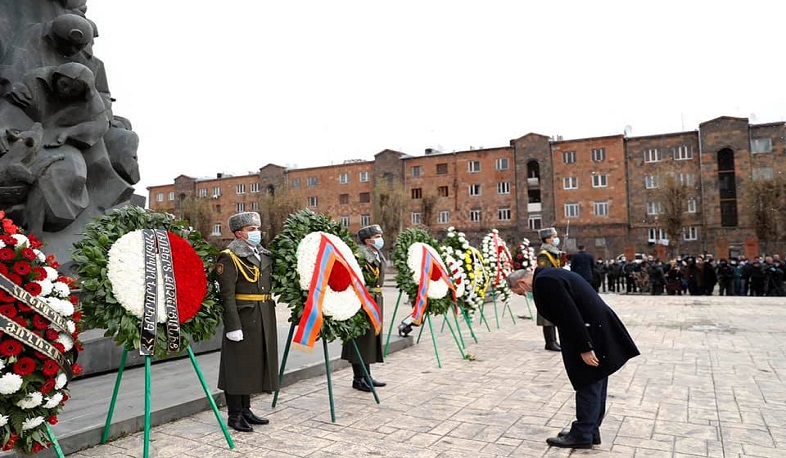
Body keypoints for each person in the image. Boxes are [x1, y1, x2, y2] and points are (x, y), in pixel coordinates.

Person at [507, 268, 640, 449]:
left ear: (522, 283)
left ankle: (582, 433)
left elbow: (569, 315)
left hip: (588, 332)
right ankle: (591, 429)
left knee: (588, 380)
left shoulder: (545, 282)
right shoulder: (550, 274)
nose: (526, 296)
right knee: (596, 379)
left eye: (522, 293)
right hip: (595, 328)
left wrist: (584, 347)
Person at [215, 211, 278, 432]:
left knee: (251, 365)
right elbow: (226, 295)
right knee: (237, 367)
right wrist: (232, 326)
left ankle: (246, 409)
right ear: (239, 233)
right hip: (243, 318)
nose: (257, 233)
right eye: (252, 230)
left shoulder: (262, 254)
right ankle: (234, 415)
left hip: (261, 316)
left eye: (257, 229)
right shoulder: (229, 256)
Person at [341, 224, 386, 392]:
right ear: (368, 240)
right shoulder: (360, 255)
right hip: (361, 301)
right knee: (361, 340)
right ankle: (358, 378)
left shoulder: (377, 253)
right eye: (377, 236)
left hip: (375, 299)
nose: (380, 239)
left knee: (369, 340)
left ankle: (366, 376)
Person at [536, 227, 563, 351]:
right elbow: (545, 272)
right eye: (553, 237)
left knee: (554, 315)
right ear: (547, 239)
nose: (555, 239)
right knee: (546, 316)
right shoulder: (544, 254)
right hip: (547, 288)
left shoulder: (554, 252)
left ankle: (554, 340)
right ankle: (549, 342)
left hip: (554, 286)